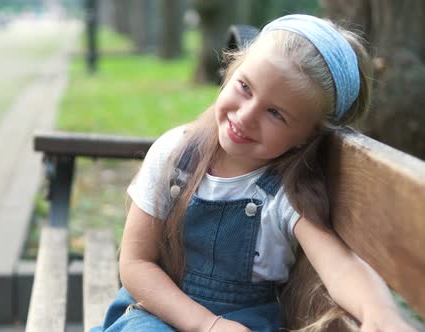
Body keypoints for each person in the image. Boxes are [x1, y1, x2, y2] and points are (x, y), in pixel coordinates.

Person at [91, 14, 417, 332]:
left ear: (306, 135)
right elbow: (135, 264)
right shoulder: (174, 156)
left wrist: (379, 312)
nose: (246, 116)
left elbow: (341, 265)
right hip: (157, 313)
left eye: (275, 113)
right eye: (245, 87)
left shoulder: (287, 195)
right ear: (232, 70)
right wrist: (207, 324)